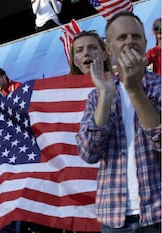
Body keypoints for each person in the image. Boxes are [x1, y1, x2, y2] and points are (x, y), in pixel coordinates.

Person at [76, 11, 161, 233]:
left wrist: (134, 90)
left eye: (136, 36)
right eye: (122, 37)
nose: (130, 41)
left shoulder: (159, 87)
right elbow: (88, 153)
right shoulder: (97, 96)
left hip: (157, 214)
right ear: (109, 49)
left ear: (145, 42)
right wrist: (105, 95)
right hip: (113, 217)